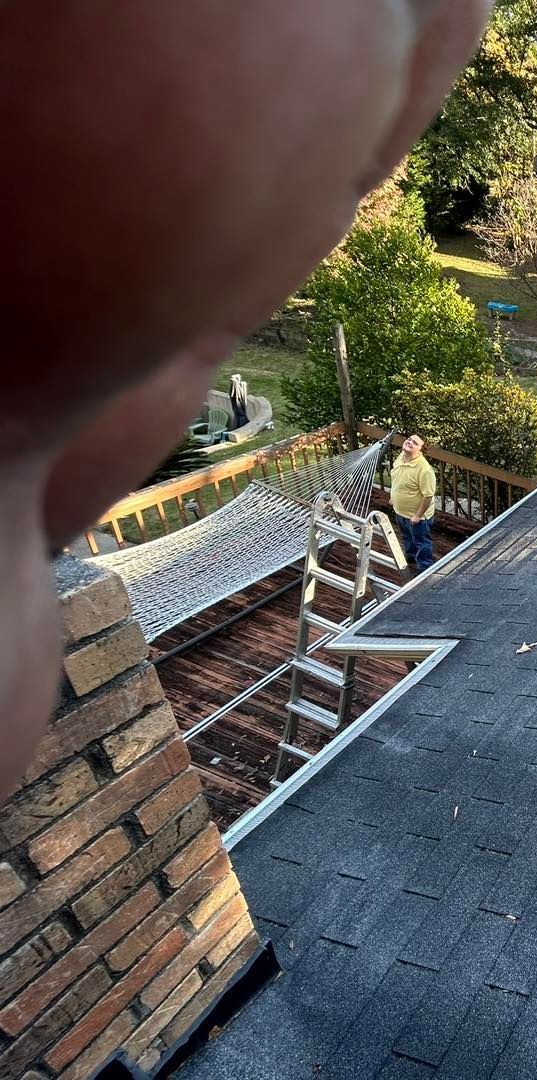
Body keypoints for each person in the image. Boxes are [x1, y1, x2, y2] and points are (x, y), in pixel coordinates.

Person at [0, 0, 492, 798]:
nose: (406, 449)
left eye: (409, 449)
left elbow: (423, 490)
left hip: (413, 517)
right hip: (394, 512)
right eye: (404, 446)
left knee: (420, 551)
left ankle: (422, 570)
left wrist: (418, 509)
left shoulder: (420, 475)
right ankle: (410, 558)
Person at [390, 433, 437, 570]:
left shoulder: (424, 470)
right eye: (409, 439)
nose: (409, 442)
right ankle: (410, 561)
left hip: (418, 518)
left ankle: (424, 569)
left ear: (420, 450)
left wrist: (418, 516)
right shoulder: (401, 457)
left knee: (421, 543)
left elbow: (428, 496)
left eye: (415, 443)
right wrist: (393, 497)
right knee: (407, 538)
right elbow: (397, 477)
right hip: (401, 513)